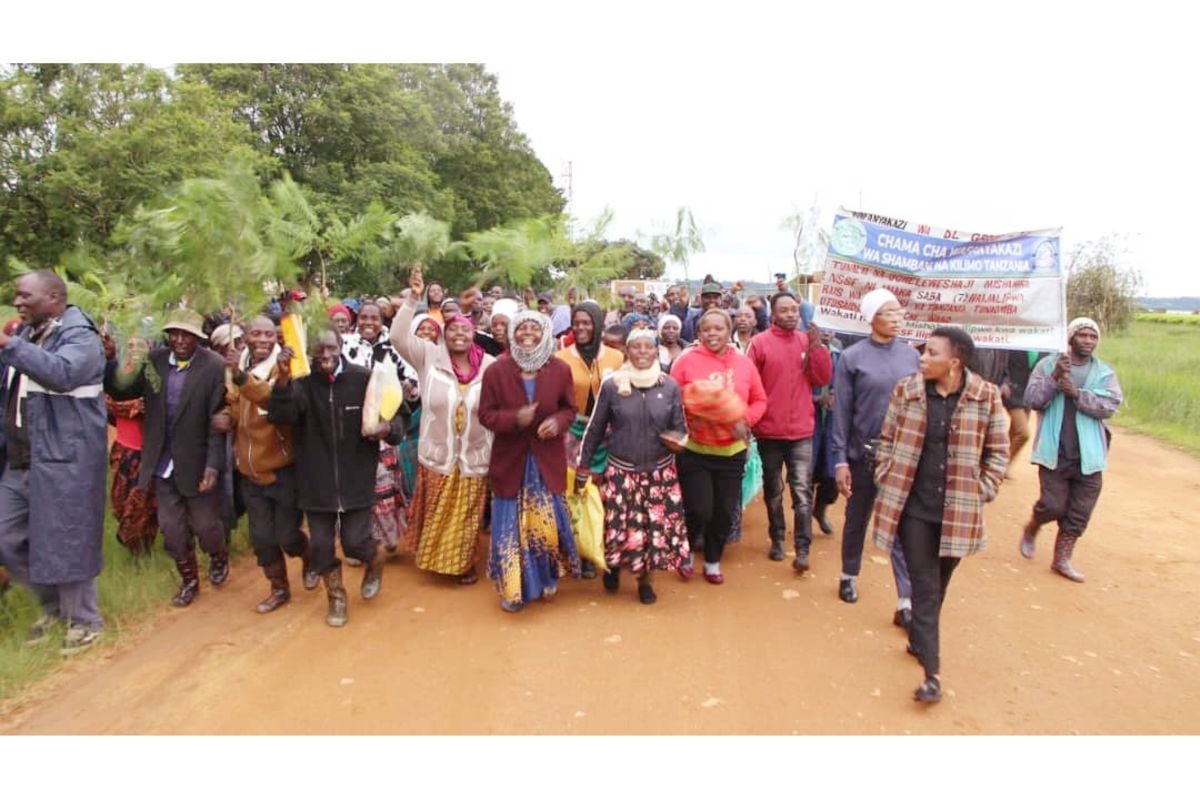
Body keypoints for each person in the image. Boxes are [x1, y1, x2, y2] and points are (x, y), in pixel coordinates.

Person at [871, 326, 1009, 703]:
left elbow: (998, 451)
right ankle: (932, 675)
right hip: (913, 507)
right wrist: (886, 471)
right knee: (926, 586)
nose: (923, 357)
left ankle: (919, 638)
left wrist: (984, 488)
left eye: (932, 353)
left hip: (959, 512)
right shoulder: (907, 390)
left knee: (939, 584)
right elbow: (886, 439)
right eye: (923, 351)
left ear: (955, 361)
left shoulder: (986, 397)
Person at [0, 271, 108, 654]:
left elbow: (62, 374)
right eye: (16, 296)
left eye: (24, 295)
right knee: (8, 540)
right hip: (21, 459)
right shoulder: (30, 334)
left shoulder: (80, 337)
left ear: (54, 297)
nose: (18, 303)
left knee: (67, 540)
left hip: (64, 460)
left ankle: (85, 621)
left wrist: (6, 343)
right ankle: (55, 608)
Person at [268, 327, 400, 627]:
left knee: (355, 543)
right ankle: (336, 596)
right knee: (322, 547)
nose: (325, 355)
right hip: (315, 482)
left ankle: (375, 559)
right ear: (310, 353)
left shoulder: (364, 379)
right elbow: (281, 416)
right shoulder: (301, 384)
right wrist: (284, 378)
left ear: (342, 346)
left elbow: (397, 420)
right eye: (318, 350)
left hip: (357, 478)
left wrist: (385, 429)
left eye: (331, 348)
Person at [104, 308, 229, 609]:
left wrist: (213, 465)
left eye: (187, 334)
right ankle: (189, 581)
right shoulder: (155, 361)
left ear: (197, 338)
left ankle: (218, 555)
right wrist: (112, 360)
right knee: (172, 530)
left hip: (197, 460)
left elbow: (217, 419)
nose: (180, 340)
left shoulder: (214, 366)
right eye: (175, 333)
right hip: (160, 460)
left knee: (206, 526)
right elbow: (121, 389)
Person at [391, 269, 495, 585]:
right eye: (452, 331)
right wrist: (412, 300)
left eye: (464, 331)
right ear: (443, 334)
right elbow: (397, 337)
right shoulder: (428, 357)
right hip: (438, 454)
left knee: (465, 517)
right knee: (437, 513)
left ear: (472, 333)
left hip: (475, 455)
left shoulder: (489, 367)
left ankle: (461, 564)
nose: (458, 336)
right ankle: (436, 558)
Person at [576, 329, 690, 604]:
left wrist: (678, 441)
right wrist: (583, 467)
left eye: (647, 347)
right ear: (627, 352)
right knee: (617, 527)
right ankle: (613, 567)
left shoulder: (669, 385)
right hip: (621, 472)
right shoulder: (613, 385)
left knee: (653, 530)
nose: (641, 352)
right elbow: (595, 428)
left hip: (659, 473)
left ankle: (645, 581)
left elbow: (681, 429)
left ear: (656, 352)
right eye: (635, 347)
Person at [479, 310, 580, 612]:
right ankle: (513, 588)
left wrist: (557, 423)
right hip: (510, 462)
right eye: (521, 328)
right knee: (509, 527)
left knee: (545, 525)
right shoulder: (496, 371)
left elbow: (569, 409)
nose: (527, 333)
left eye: (534, 328)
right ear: (512, 334)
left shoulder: (560, 369)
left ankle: (547, 577)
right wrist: (514, 419)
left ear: (545, 333)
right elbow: (485, 415)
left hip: (546, 460)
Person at [830, 288, 920, 630]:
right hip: (862, 455)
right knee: (857, 517)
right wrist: (839, 460)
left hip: (902, 456)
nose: (897, 318)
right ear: (872, 318)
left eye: (900, 312)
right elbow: (841, 412)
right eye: (889, 312)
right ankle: (848, 573)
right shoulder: (853, 358)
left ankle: (906, 599)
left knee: (901, 525)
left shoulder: (912, 356)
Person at [217, 316, 316, 613]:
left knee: (287, 536)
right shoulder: (239, 365)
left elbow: (275, 402)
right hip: (249, 473)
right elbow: (235, 403)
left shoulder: (285, 367)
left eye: (268, 334)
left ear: (277, 338)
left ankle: (310, 556)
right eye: (255, 334)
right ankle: (279, 588)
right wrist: (226, 415)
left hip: (282, 470)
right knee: (262, 539)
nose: (262, 339)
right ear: (245, 337)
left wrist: (240, 377)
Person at [1019, 318, 1122, 582]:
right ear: (1071, 337)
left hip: (1090, 455)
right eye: (1083, 335)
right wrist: (1054, 379)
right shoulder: (1048, 365)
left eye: (1092, 336)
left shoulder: (1103, 372)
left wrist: (1078, 394)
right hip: (1055, 452)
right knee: (1052, 505)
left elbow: (1109, 406)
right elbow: (1032, 400)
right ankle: (1034, 525)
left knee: (1079, 512)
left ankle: (1061, 558)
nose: (1088, 340)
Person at [670, 308, 768, 584]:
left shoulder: (744, 364)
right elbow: (670, 398)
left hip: (732, 453)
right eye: (706, 329)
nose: (712, 333)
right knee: (699, 508)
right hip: (695, 450)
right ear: (698, 333)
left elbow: (760, 400)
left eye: (718, 328)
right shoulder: (685, 362)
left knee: (724, 513)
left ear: (729, 331)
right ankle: (687, 553)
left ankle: (712, 560)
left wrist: (745, 420)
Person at [745, 292, 833, 570]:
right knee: (774, 490)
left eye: (794, 310)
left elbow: (822, 379)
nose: (791, 314)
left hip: (802, 430)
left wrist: (818, 348)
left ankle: (803, 548)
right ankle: (778, 540)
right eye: (784, 310)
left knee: (802, 490)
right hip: (769, 431)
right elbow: (749, 383)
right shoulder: (759, 343)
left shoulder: (808, 341)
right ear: (773, 314)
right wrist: (752, 422)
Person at [341, 300, 418, 555]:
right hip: (351, 426)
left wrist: (408, 387)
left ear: (381, 321)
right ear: (357, 319)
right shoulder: (345, 345)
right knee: (356, 484)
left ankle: (389, 536)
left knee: (384, 486)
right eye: (364, 317)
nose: (368, 323)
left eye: (374, 318)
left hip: (383, 427)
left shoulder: (392, 348)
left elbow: (412, 377)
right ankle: (363, 540)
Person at [555, 300, 625, 579]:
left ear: (597, 324)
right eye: (577, 322)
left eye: (587, 322)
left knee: (604, 492)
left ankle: (602, 546)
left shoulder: (616, 358)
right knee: (575, 492)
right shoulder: (561, 358)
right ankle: (580, 552)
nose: (581, 327)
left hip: (607, 433)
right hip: (572, 432)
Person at [105, 389, 158, 558]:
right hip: (123, 449)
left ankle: (142, 553)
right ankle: (137, 552)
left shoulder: (159, 370)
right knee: (119, 505)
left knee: (141, 507)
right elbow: (104, 402)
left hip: (149, 451)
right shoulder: (114, 372)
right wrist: (132, 407)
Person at [1002, 348, 1043, 478]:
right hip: (1012, 391)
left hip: (1029, 394)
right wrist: (1004, 381)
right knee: (1023, 433)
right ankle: (1001, 465)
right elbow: (1002, 363)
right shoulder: (1016, 341)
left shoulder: (1046, 346)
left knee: (1014, 431)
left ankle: (998, 462)